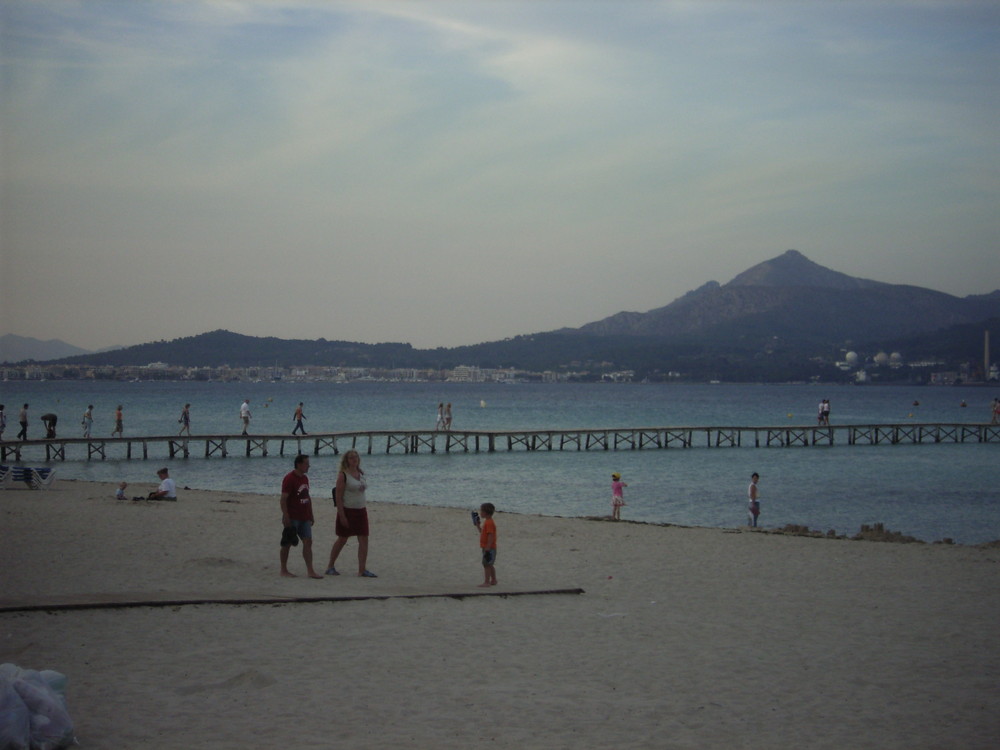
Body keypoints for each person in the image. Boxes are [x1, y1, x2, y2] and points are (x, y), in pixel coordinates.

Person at [326, 449, 376, 577]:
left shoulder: (360, 472)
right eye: (351, 457)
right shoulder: (343, 475)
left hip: (361, 510)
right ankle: (330, 566)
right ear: (346, 460)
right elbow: (338, 497)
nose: (354, 459)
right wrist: (342, 515)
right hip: (348, 510)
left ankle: (362, 569)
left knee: (364, 539)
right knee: (342, 539)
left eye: (356, 457)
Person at [280, 454, 323, 578]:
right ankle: (283, 570)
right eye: (306, 463)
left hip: (305, 516)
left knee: (308, 542)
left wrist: (311, 514)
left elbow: (307, 496)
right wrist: (286, 516)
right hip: (293, 516)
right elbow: (283, 499)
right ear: (299, 464)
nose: (308, 466)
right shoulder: (289, 478)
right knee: (287, 543)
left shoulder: (305, 478)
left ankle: (310, 570)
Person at [474, 502, 498, 587]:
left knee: (486, 564)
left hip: (489, 548)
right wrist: (478, 525)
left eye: (482, 511)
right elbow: (483, 533)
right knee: (489, 564)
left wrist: (488, 547)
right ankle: (494, 580)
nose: (480, 513)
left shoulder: (489, 523)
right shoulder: (487, 522)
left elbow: (491, 535)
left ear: (486, 513)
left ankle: (487, 582)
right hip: (486, 547)